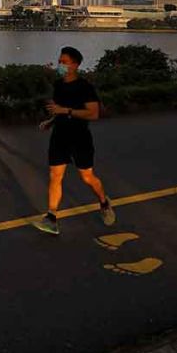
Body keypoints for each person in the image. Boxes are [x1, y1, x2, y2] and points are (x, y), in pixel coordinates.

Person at [32, 46, 114, 235]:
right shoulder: (59, 85)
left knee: (87, 177)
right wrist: (51, 121)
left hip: (80, 137)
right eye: (59, 61)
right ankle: (51, 218)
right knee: (55, 176)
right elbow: (58, 110)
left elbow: (93, 114)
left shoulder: (85, 87)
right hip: (60, 136)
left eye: (64, 62)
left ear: (75, 65)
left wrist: (65, 111)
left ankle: (103, 202)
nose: (60, 65)